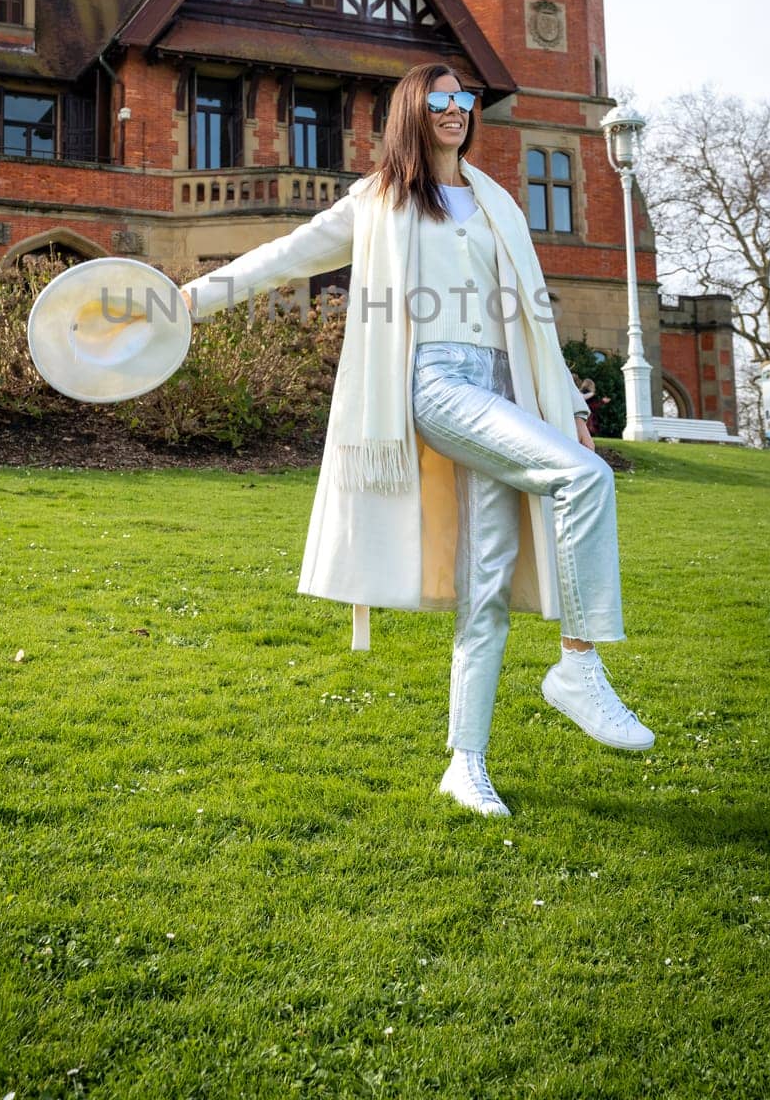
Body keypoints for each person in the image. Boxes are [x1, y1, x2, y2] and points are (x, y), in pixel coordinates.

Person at [180, 63, 653, 818]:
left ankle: (465, 765)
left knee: (487, 582)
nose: (457, 108)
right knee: (584, 482)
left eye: (464, 98)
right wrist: (190, 299)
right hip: (435, 383)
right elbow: (286, 256)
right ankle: (578, 662)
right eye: (440, 99)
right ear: (412, 110)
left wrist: (568, 405)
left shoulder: (496, 200)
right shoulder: (378, 200)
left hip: (505, 384)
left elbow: (532, 312)